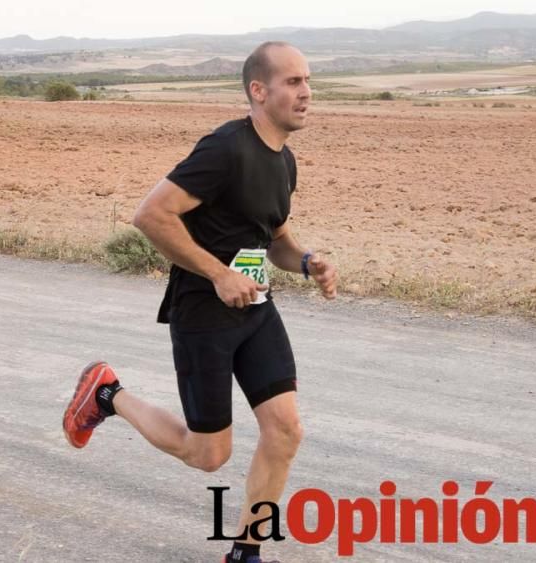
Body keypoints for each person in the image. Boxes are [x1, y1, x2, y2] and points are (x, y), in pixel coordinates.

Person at [63, 41, 338, 563]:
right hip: (204, 312)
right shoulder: (225, 149)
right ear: (259, 91)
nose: (307, 93)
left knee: (285, 430)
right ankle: (106, 394)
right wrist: (216, 273)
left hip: (255, 309)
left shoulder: (283, 160)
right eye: (293, 82)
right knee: (209, 453)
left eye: (308, 81)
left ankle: (245, 553)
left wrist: (307, 261)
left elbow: (273, 236)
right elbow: (151, 215)